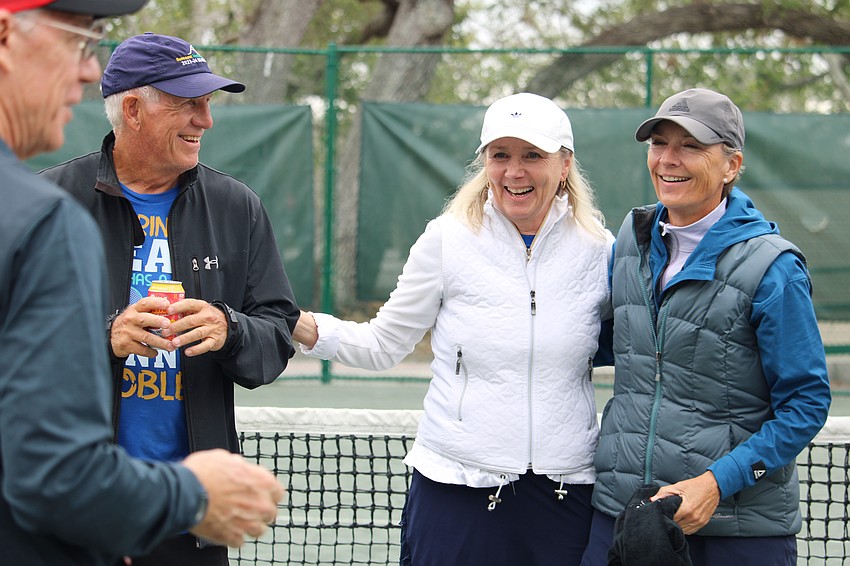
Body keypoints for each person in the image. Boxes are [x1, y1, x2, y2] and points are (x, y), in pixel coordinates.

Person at [0, 2, 284, 566]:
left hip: (191, 523)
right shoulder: (46, 207)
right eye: (189, 104)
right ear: (133, 109)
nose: (207, 120)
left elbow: (274, 339)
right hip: (79, 520)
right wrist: (106, 337)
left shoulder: (238, 206)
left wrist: (230, 330)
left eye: (208, 104)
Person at [293, 92, 615, 566]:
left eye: (533, 156)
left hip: (565, 494)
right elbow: (383, 345)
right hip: (455, 489)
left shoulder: (600, 249)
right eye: (500, 155)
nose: (514, 171)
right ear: (484, 162)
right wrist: (294, 324)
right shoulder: (446, 240)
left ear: (564, 164)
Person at [580, 88, 831, 566]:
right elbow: (607, 347)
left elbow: (806, 402)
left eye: (691, 146)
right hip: (624, 515)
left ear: (731, 165)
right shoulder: (629, 245)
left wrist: (716, 483)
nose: (668, 160)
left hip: (738, 531)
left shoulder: (773, 267)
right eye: (659, 144)